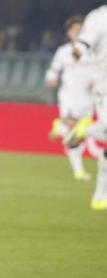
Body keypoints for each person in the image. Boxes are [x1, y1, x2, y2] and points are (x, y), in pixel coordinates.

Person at [66, 0, 107, 210]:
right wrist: (76, 52)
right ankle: (100, 196)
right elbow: (82, 45)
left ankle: (86, 129)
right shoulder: (98, 18)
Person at [46, 15, 97, 180]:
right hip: (69, 96)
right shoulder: (63, 52)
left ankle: (59, 128)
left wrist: (95, 82)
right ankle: (79, 171)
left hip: (88, 97)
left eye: (81, 30)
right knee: (75, 127)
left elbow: (101, 71)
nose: (78, 33)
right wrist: (51, 79)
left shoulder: (94, 51)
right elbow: (52, 71)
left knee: (78, 134)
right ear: (68, 33)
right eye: (74, 30)